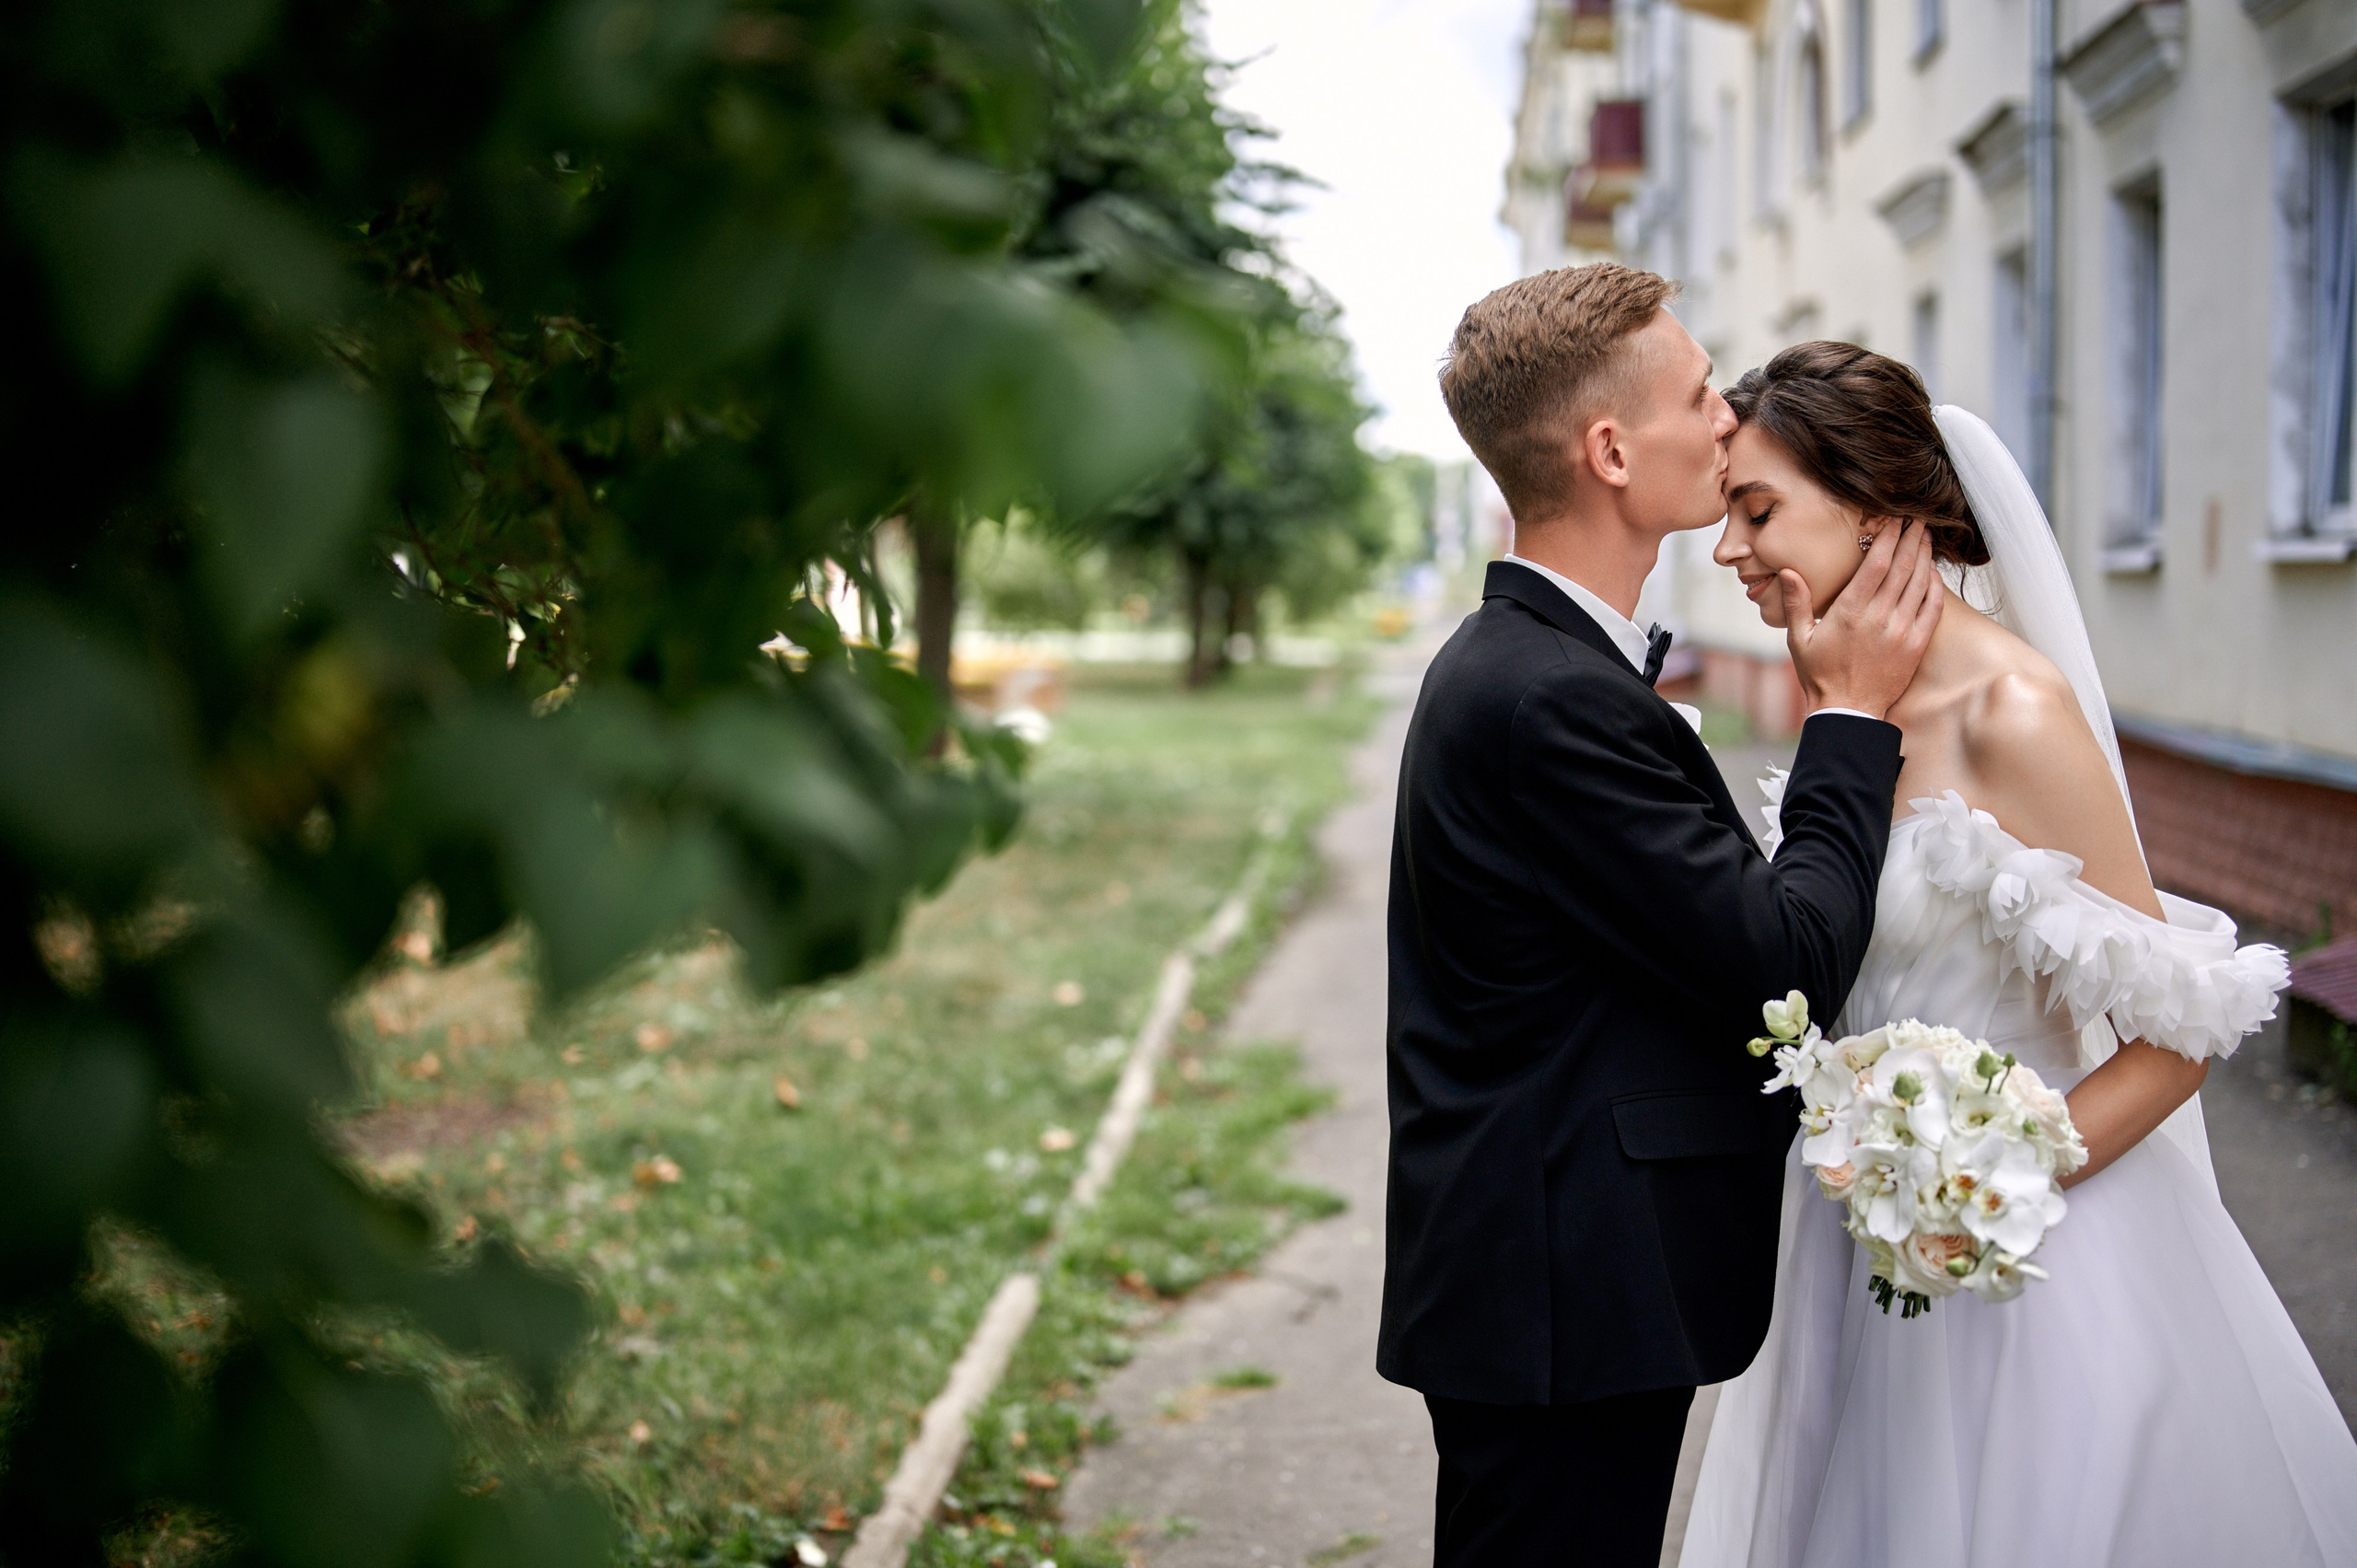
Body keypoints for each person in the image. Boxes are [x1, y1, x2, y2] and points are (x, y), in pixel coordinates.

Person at [1681, 342, 2357, 1567]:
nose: (1728, 549)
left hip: (2024, 1255)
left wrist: (1979, 1191)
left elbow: (2180, 1035)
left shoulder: (2015, 713)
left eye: (1757, 508)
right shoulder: (1837, 690)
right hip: (1854, 1243)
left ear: (1878, 503)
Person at [1381, 263, 1944, 1567]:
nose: (1728, 423)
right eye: (1702, 396)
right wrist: (1851, 722)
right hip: (1564, 1297)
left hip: (1553, 1282)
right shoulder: (1548, 697)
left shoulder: (1532, 668)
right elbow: (1781, 964)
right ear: (1613, 449)